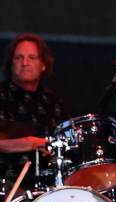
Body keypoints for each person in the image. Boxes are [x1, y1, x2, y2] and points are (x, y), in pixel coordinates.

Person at [0, 32, 65, 188]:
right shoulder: (1, 94)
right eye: (18, 58)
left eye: (32, 57)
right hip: (6, 185)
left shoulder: (52, 100)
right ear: (10, 64)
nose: (25, 63)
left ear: (43, 65)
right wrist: (32, 143)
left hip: (47, 188)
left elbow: (67, 139)